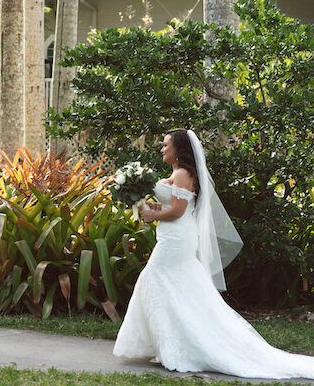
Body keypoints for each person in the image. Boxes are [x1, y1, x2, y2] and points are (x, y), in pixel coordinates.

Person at [113, 129, 314, 379]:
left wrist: (154, 215)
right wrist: (155, 207)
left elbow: (178, 211)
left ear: (179, 149)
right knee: (172, 285)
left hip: (178, 238)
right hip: (171, 236)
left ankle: (172, 347)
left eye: (166, 145)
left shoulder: (184, 173)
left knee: (154, 278)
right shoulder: (177, 173)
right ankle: (167, 344)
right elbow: (173, 205)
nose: (162, 149)